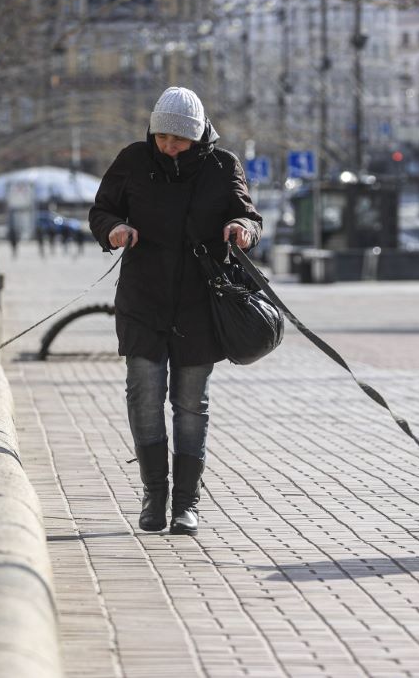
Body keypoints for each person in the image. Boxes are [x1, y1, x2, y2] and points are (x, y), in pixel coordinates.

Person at [89, 86, 262, 536]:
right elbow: (101, 210)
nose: (167, 146)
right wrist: (115, 230)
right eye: (161, 136)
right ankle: (154, 494)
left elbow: (250, 217)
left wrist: (241, 228)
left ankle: (187, 503)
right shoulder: (133, 160)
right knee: (144, 397)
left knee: (190, 405)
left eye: (177, 139)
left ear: (198, 134)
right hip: (143, 301)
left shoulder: (223, 167)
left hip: (200, 305)